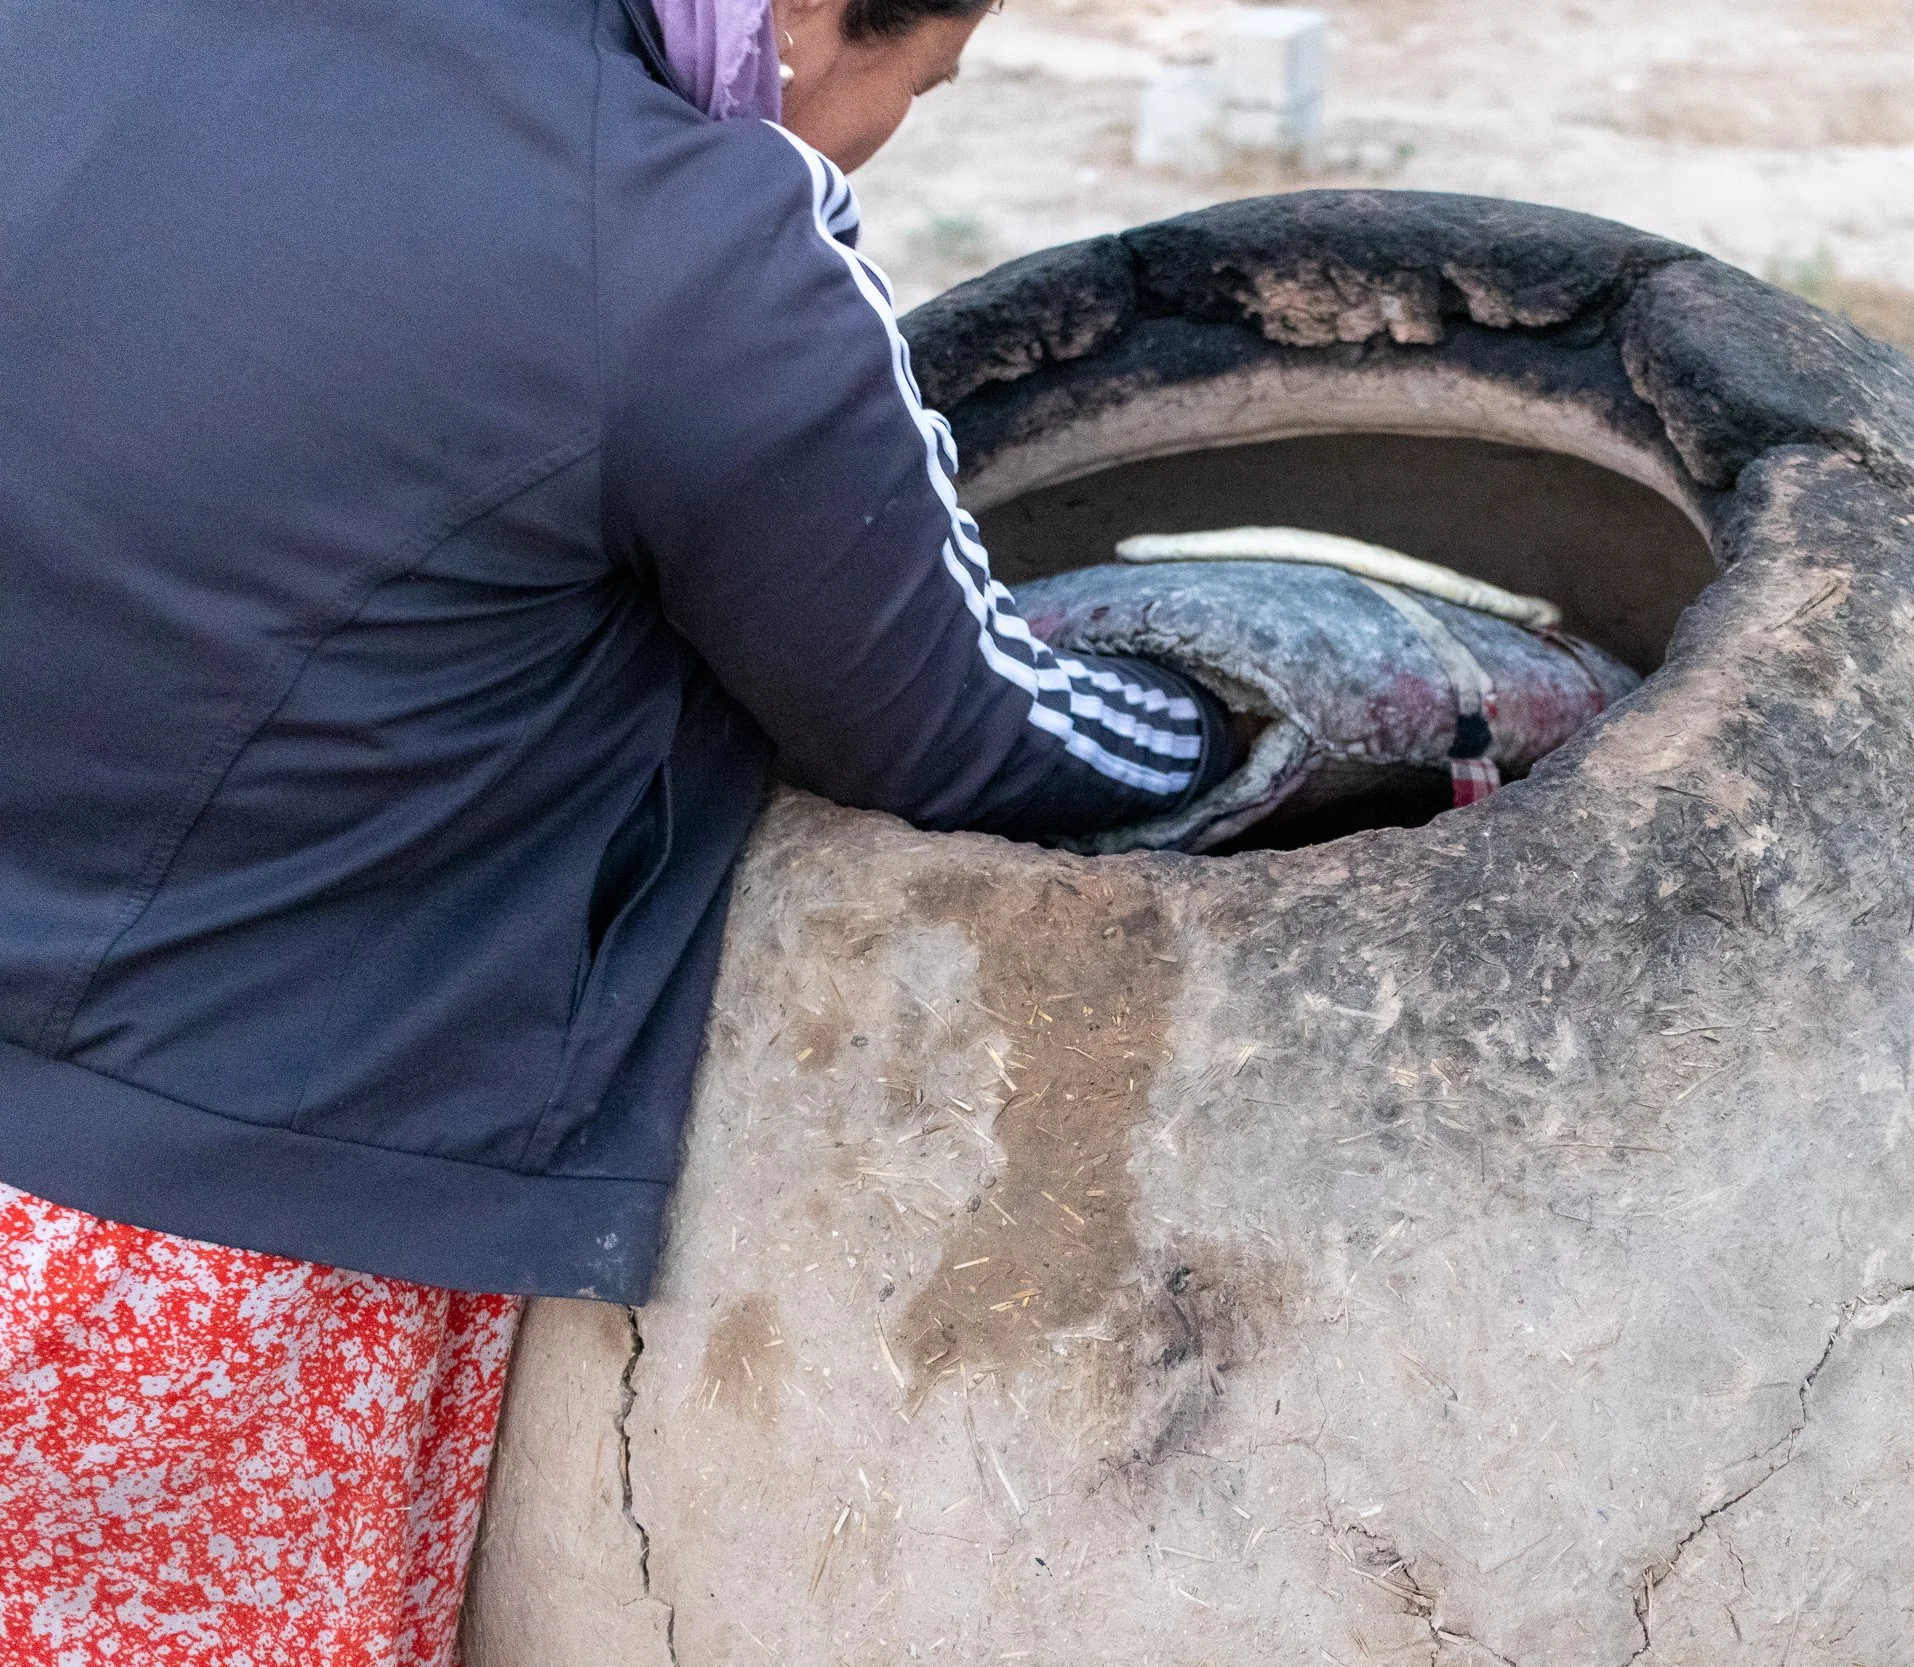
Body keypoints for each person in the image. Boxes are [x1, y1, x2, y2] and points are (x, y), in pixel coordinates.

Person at [0, 0, 1234, 1658]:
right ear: (803, 19)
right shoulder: (696, 246)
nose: (882, 134)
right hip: (176, 1252)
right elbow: (960, 723)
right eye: (912, 82)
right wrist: (1253, 709)